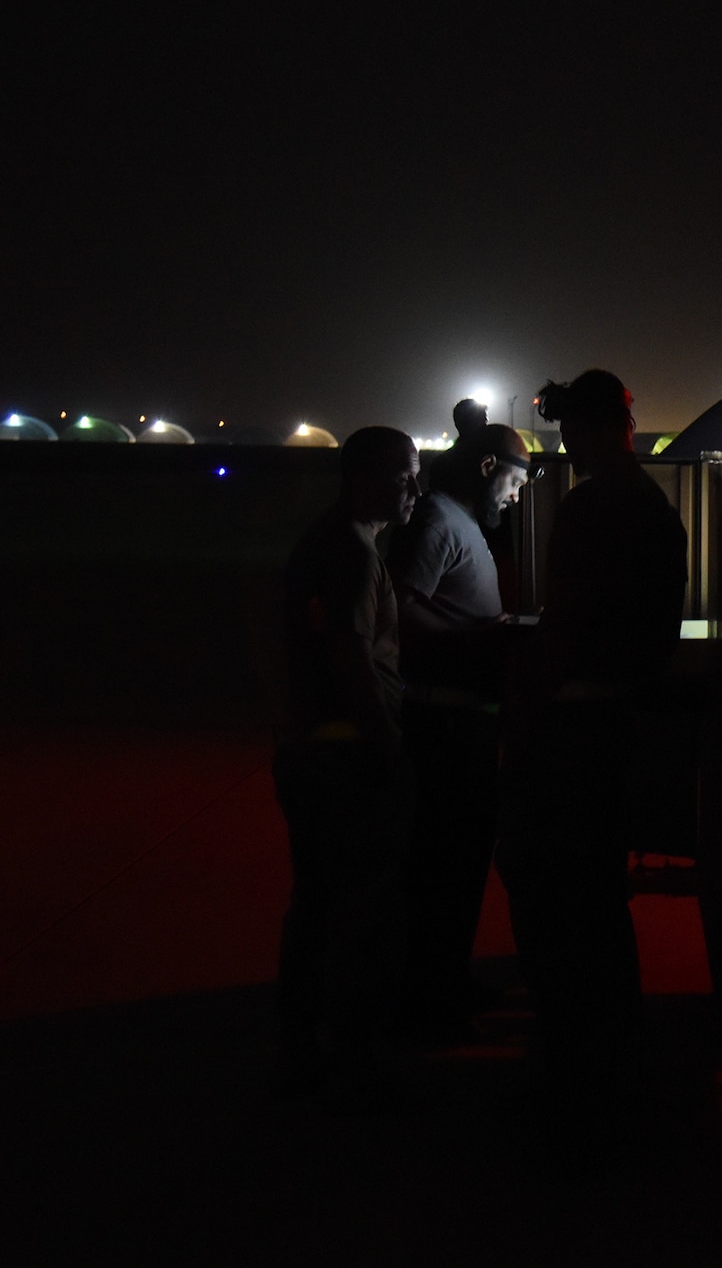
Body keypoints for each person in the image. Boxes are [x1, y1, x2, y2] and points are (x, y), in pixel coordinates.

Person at [498, 369, 687, 1132]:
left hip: (572, 731)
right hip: (616, 723)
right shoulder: (653, 508)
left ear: (599, 428)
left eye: (572, 431)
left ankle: (576, 1073)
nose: (567, 447)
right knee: (600, 904)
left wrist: (523, 707)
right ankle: (613, 1062)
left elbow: (566, 623)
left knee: (553, 899)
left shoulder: (592, 504)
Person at [272, 426, 421, 1098]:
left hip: (313, 751)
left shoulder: (330, 542)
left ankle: (303, 1043)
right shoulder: (353, 555)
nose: (414, 490)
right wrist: (389, 746)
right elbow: (351, 660)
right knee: (359, 909)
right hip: (344, 759)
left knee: (318, 901)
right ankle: (354, 1059)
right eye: (403, 477)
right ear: (365, 480)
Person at [387, 422, 533, 1038]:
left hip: (462, 722)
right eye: (515, 481)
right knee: (443, 866)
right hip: (442, 725)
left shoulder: (454, 521)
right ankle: (429, 997)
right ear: (487, 467)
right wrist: (477, 640)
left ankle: (444, 980)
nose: (517, 496)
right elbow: (398, 608)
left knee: (460, 864)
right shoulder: (438, 521)